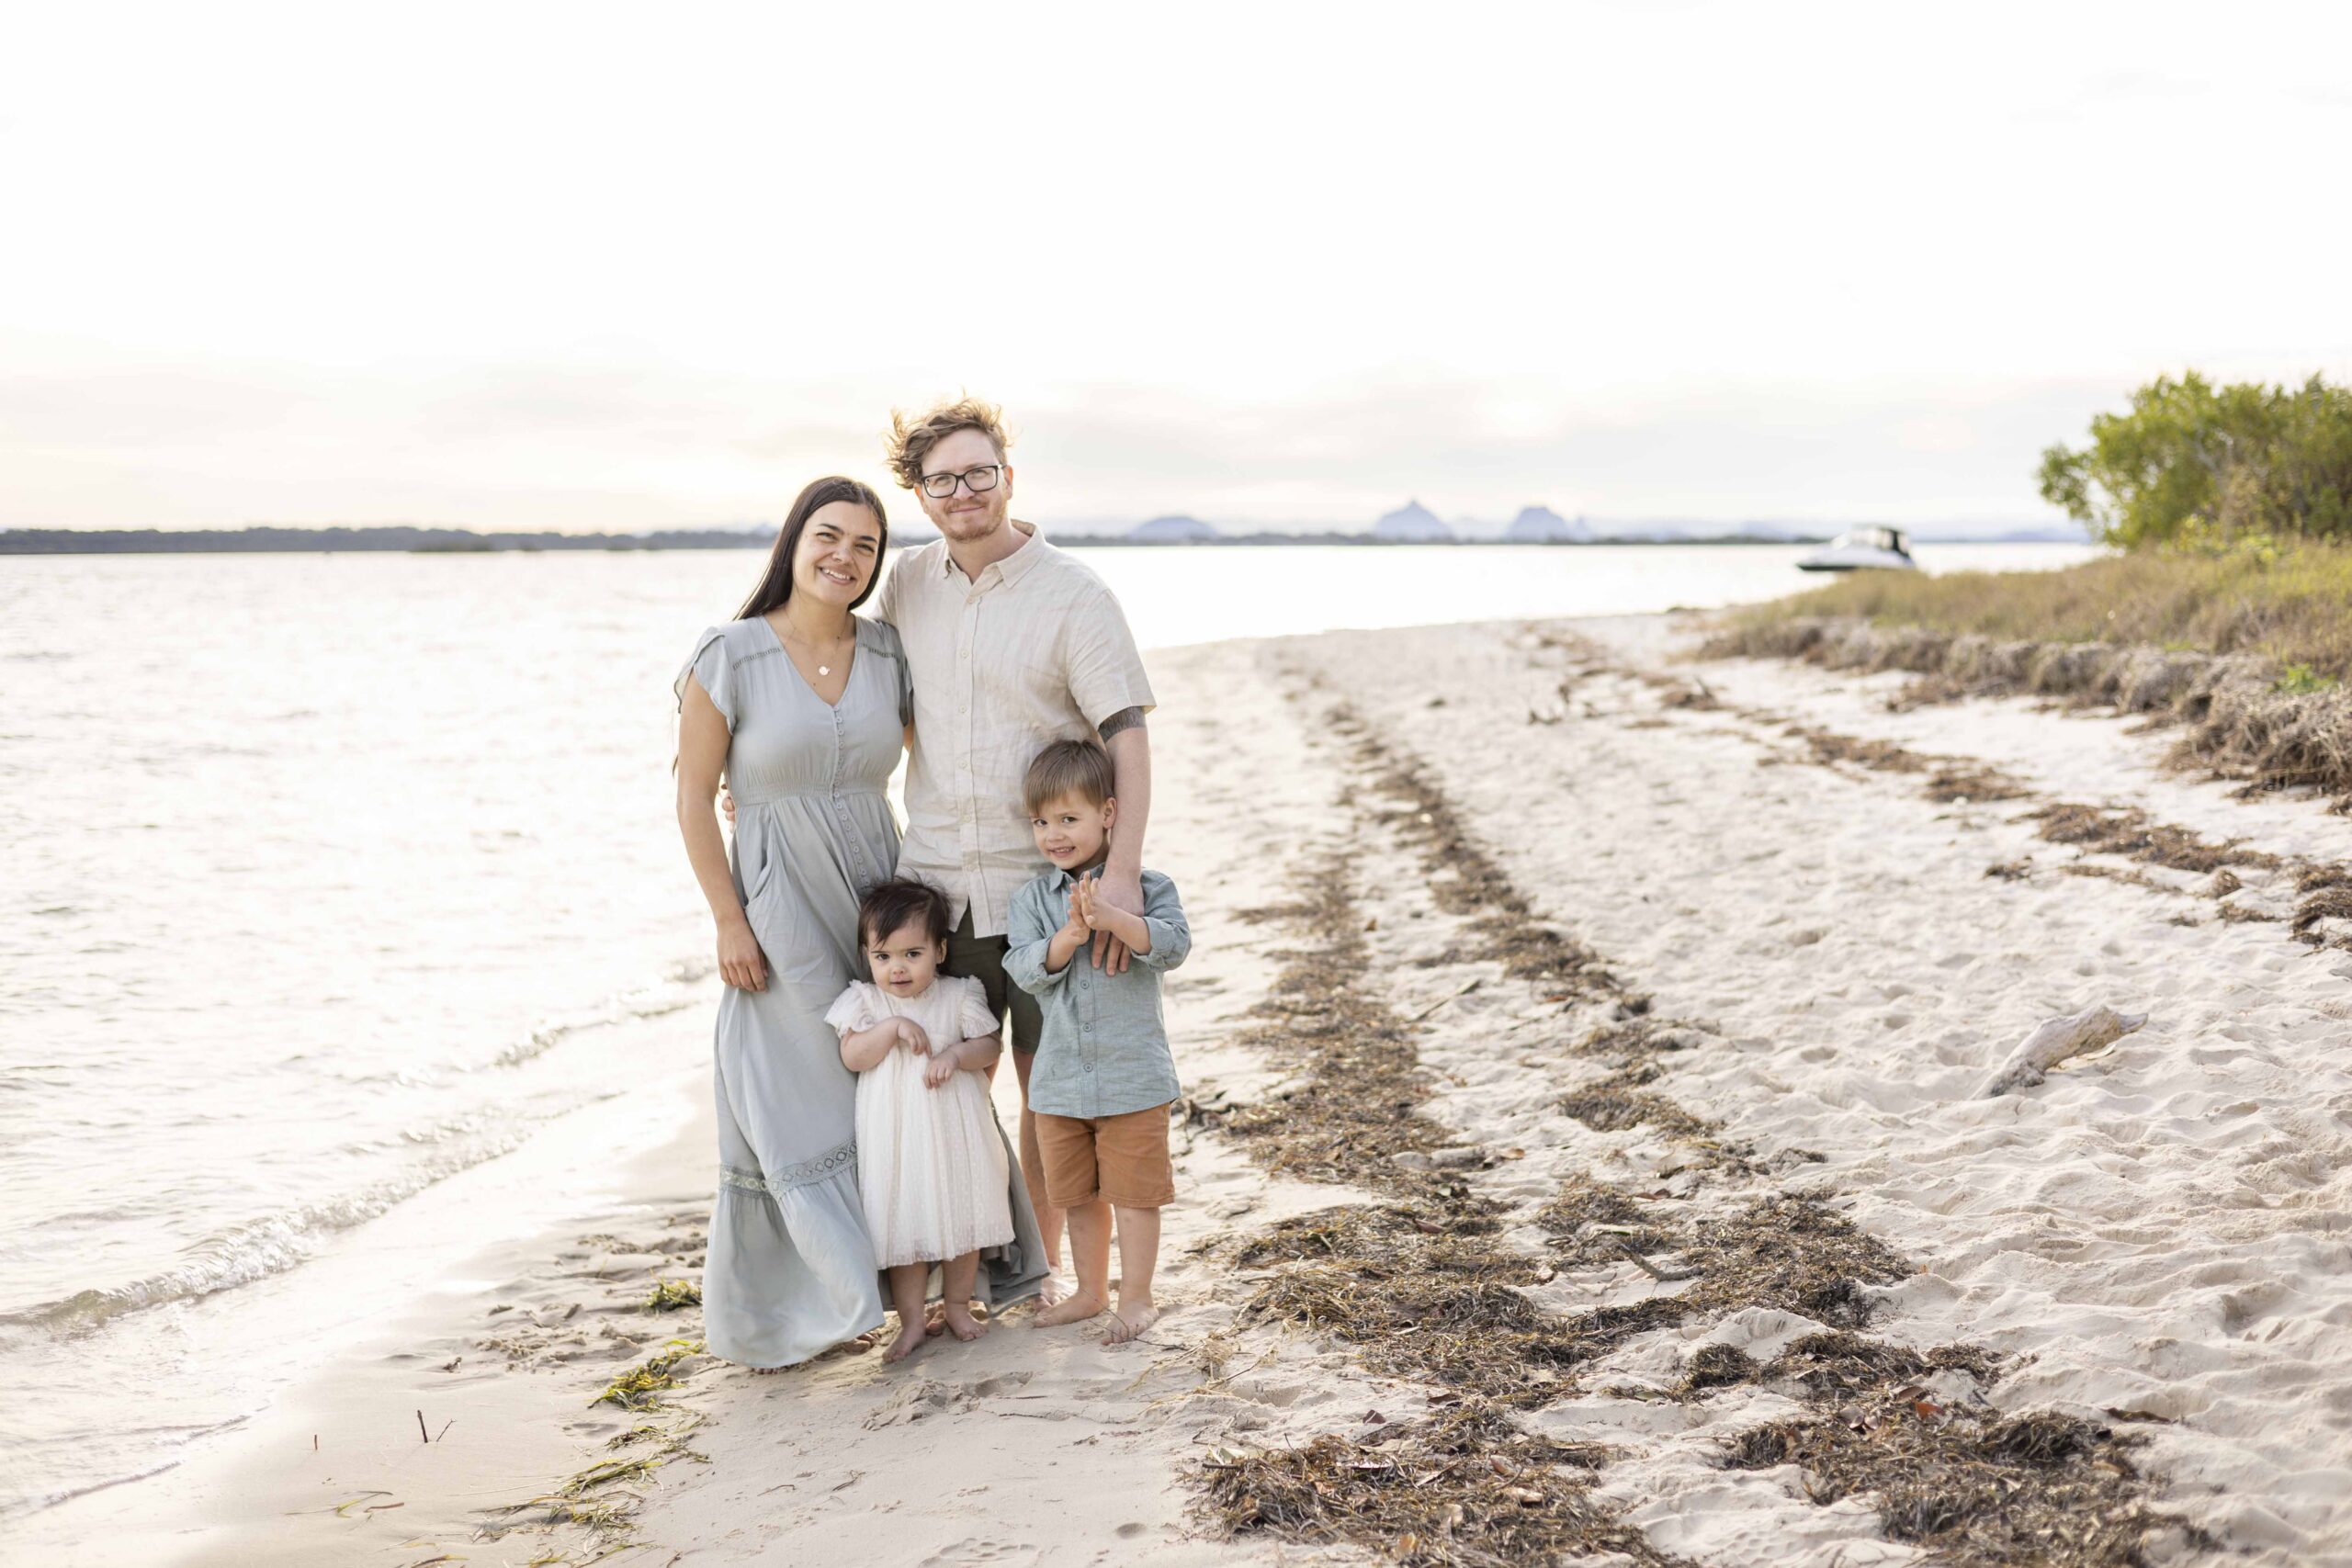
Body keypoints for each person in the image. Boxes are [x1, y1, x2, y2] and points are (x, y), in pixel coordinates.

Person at [673, 476, 1044, 1370]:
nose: (844, 557)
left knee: (894, 1082)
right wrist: (728, 920)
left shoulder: (885, 654)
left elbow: (952, 737)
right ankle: (828, 1297)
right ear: (793, 542)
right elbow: (691, 799)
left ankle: (944, 1281)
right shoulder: (729, 655)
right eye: (828, 537)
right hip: (778, 902)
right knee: (794, 1090)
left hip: (877, 897)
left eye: (866, 546)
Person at [874, 396, 1158, 1301]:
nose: (963, 491)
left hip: (1046, 895)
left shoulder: (1073, 593)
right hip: (935, 889)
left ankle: (1051, 1279)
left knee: (1051, 1096)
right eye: (942, 478)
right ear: (919, 494)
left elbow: (1128, 737)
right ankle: (976, 1270)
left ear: (1007, 477)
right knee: (948, 1093)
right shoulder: (907, 587)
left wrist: (1119, 876)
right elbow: (858, 705)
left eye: (978, 472)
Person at [1004, 739, 1190, 1343]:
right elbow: (1026, 968)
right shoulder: (1033, 900)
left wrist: (1115, 919)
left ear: (1108, 814)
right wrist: (1070, 934)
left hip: (1132, 1076)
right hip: (1059, 1084)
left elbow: (1173, 945)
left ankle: (1135, 1296)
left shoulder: (1148, 885)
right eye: (1041, 821)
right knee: (1079, 1195)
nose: (1053, 834)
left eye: (1068, 818)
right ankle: (1089, 1290)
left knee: (1135, 1195)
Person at [827, 879, 1019, 1362]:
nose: (897, 968)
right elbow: (852, 1056)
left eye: (913, 954)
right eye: (883, 956)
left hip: (955, 1133)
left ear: (941, 950)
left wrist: (955, 1055)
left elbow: (990, 1045)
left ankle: (957, 1304)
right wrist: (891, 1028)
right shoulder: (866, 1003)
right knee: (902, 1226)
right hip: (896, 1140)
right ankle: (911, 1320)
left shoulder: (959, 995)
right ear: (867, 956)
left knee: (963, 1216)